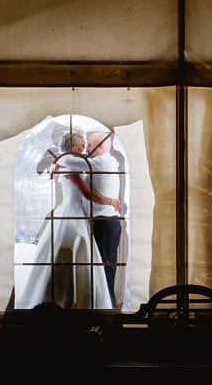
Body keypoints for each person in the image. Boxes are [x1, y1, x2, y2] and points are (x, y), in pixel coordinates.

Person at [18, 131, 118, 309]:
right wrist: (112, 201)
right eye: (82, 145)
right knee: (72, 254)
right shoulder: (71, 165)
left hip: (78, 211)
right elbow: (87, 193)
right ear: (73, 147)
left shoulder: (75, 164)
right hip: (73, 210)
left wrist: (57, 164)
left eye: (87, 145)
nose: (85, 148)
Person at [86, 130, 124, 307]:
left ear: (100, 147)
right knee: (106, 268)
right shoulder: (109, 161)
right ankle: (105, 304)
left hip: (104, 224)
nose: (86, 149)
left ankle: (104, 306)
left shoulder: (98, 163)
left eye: (89, 145)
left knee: (103, 268)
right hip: (108, 223)